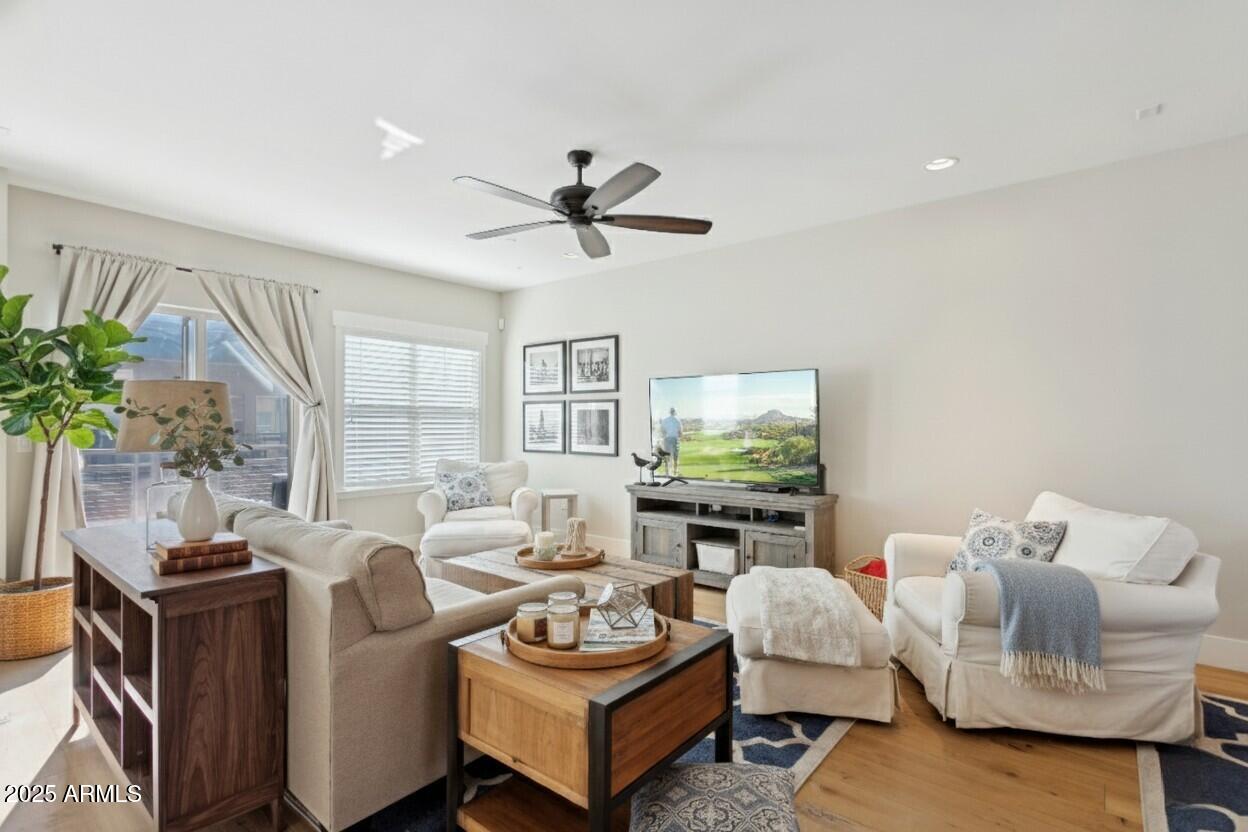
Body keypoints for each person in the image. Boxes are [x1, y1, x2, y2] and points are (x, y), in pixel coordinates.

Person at [659, 407, 682, 475]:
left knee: (667, 456)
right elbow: (680, 432)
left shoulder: (665, 420)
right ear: (674, 412)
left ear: (669, 412)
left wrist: (665, 436)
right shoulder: (677, 420)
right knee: (675, 456)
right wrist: (678, 437)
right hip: (675, 438)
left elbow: (662, 430)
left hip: (667, 439)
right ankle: (675, 472)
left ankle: (667, 472)